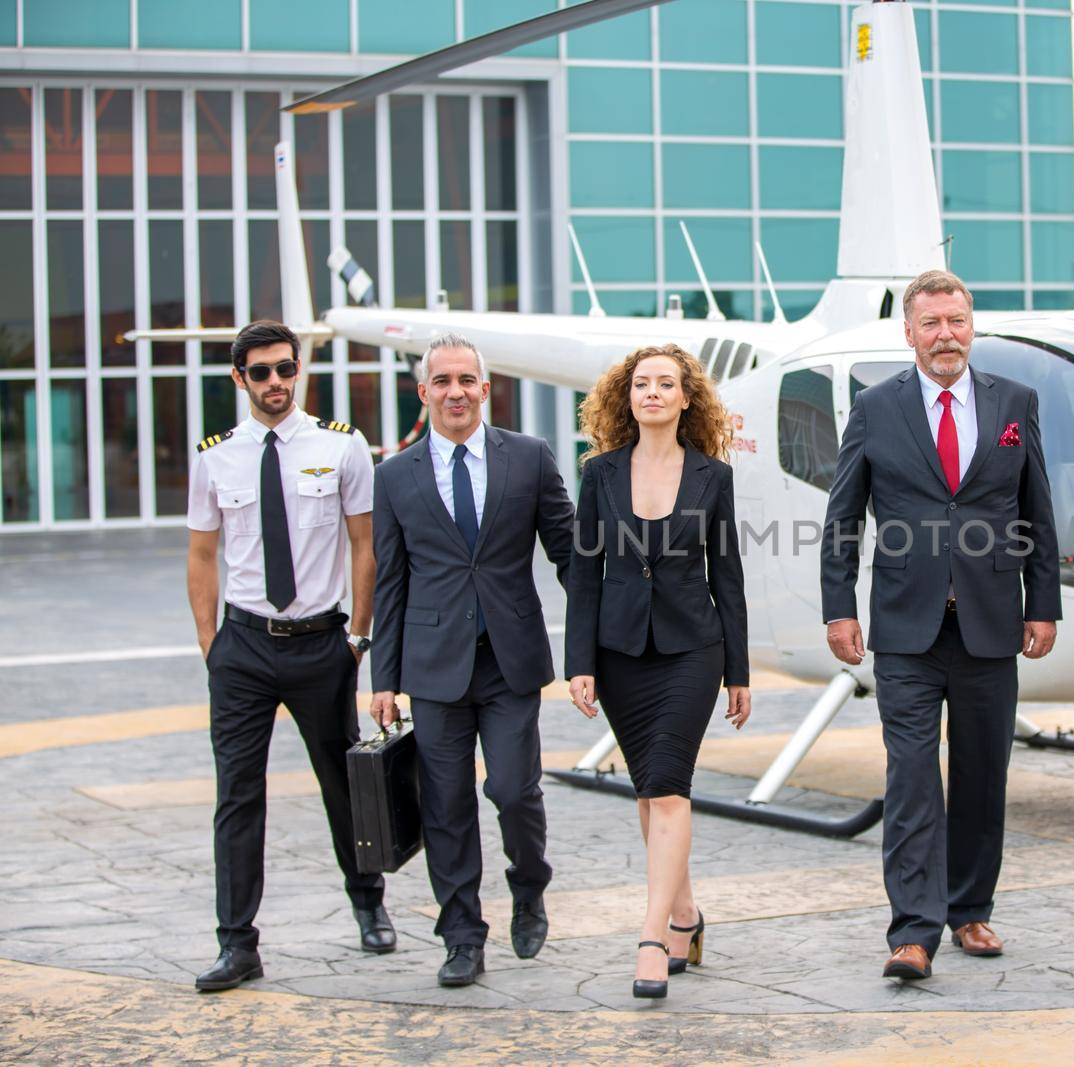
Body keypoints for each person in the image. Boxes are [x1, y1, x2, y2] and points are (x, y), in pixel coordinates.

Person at [821, 269, 1061, 981]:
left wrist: (1042, 602)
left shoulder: (1015, 402)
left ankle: (970, 909)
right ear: (909, 332)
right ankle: (913, 930)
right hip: (905, 630)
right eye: (931, 323)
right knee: (913, 778)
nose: (946, 334)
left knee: (984, 774)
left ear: (972, 324)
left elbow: (1036, 512)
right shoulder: (874, 408)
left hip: (991, 624)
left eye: (956, 320)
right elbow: (844, 517)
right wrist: (839, 606)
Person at [185, 320, 392, 992]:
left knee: (344, 784)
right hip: (243, 646)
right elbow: (201, 552)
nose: (276, 382)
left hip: (321, 644)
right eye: (262, 371)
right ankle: (236, 943)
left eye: (285, 368)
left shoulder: (341, 448)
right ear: (238, 378)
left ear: (298, 370)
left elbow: (365, 546)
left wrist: (357, 636)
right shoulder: (215, 456)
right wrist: (212, 646)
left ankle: (368, 904)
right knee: (237, 797)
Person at [369, 333, 574, 988]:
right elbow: (391, 582)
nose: (455, 391)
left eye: (467, 379)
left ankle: (529, 885)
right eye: (442, 380)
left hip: (510, 661)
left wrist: (601, 641)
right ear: (423, 391)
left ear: (486, 389)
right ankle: (461, 934)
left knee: (515, 790)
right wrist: (383, 679)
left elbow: (570, 555)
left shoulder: (530, 459)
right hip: (433, 667)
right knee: (446, 806)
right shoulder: (394, 476)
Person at [565, 343, 751, 1000]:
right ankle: (685, 912)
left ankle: (650, 935)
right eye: (641, 383)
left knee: (669, 784)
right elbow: (585, 573)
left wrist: (739, 671)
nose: (651, 392)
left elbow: (727, 577)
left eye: (664, 383)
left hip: (691, 650)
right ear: (627, 397)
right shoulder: (600, 473)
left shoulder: (713, 478)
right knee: (650, 791)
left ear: (684, 397)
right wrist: (579, 662)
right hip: (618, 654)